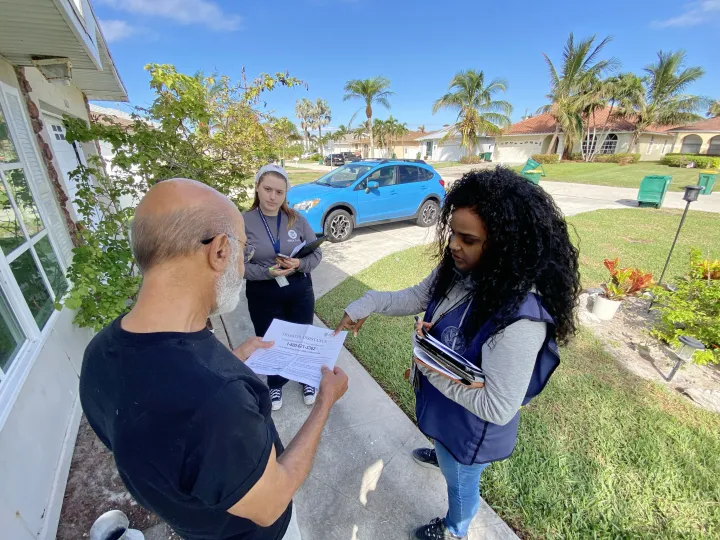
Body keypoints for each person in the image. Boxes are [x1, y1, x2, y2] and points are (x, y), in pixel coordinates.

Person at [80, 178, 348, 540]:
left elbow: (162, 428)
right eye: (243, 253)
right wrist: (326, 400)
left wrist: (234, 360)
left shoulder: (98, 352)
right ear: (220, 250)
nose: (242, 266)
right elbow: (269, 504)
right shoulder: (217, 399)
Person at [334, 168, 580, 540]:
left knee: (461, 483)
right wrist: (365, 303)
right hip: (449, 410)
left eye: (469, 239)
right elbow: (417, 296)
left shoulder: (521, 318)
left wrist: (428, 367)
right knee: (445, 450)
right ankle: (441, 450)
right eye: (453, 233)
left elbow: (498, 407)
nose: (453, 246)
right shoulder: (459, 269)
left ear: (505, 245)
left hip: (470, 430)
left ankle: (455, 528)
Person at [243, 164, 323, 411]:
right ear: (257, 187)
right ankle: (275, 382)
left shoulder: (296, 220)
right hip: (263, 293)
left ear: (286, 194)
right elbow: (236, 266)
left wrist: (299, 263)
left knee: (301, 337)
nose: (272, 197)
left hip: (299, 289)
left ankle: (305, 378)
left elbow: (317, 253)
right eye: (267, 189)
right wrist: (267, 272)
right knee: (270, 340)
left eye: (279, 192)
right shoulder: (243, 221)